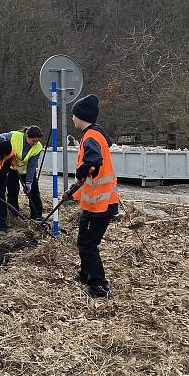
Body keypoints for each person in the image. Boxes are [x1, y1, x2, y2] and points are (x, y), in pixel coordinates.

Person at [65, 94, 118, 299]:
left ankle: (99, 285)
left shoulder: (91, 137)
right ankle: (86, 275)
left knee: (88, 244)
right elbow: (91, 174)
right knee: (84, 241)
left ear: (81, 117)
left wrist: (79, 175)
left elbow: (92, 161)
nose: (72, 119)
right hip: (96, 202)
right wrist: (74, 190)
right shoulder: (94, 134)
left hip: (100, 204)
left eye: (74, 116)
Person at [4, 126, 44, 220]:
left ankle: (37, 216)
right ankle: (14, 214)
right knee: (13, 190)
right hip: (12, 168)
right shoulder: (15, 136)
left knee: (33, 192)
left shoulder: (38, 147)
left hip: (26, 170)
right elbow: (2, 137)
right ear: (27, 136)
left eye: (37, 141)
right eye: (33, 141)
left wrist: (29, 182)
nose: (35, 143)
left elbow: (32, 166)